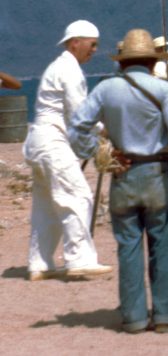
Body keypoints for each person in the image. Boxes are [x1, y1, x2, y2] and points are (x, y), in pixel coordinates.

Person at [69, 29, 168, 334]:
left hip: (123, 174)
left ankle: (134, 318)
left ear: (122, 62)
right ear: (153, 62)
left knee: (128, 247)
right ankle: (165, 316)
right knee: (162, 246)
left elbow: (76, 128)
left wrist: (101, 153)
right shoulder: (164, 90)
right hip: (158, 175)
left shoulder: (105, 89)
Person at [22, 19, 112, 280]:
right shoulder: (69, 70)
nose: (94, 50)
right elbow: (79, 113)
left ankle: (40, 264)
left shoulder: (58, 66)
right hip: (52, 143)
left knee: (46, 206)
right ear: (75, 43)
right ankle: (79, 259)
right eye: (92, 45)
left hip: (37, 142)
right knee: (78, 196)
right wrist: (104, 130)